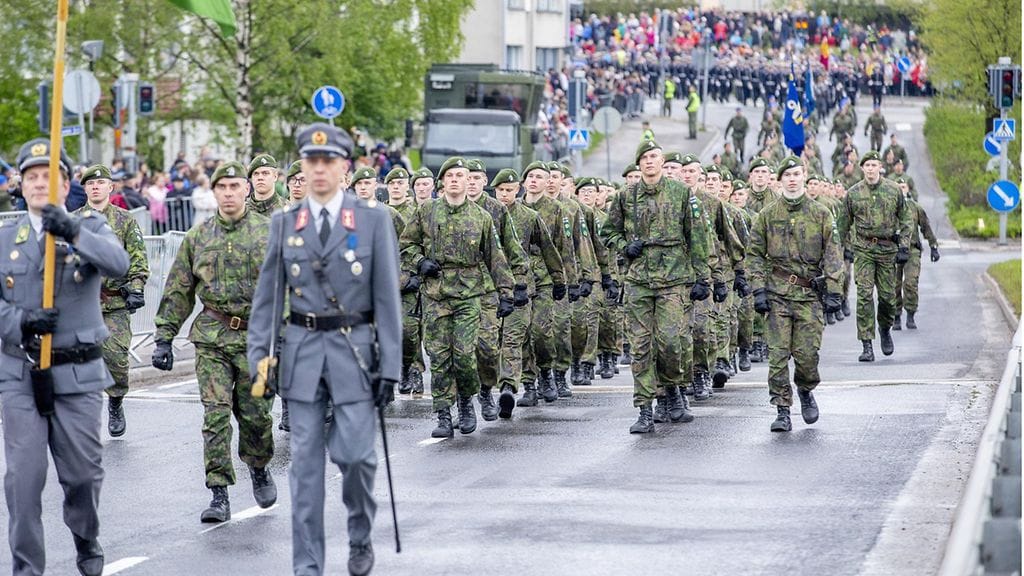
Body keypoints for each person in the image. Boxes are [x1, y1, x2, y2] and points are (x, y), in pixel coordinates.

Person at [247, 122, 401, 576]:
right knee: (305, 473)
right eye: (311, 162)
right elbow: (267, 302)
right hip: (301, 355)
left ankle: (359, 534)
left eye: (327, 161)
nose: (318, 169)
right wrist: (262, 363)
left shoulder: (372, 220)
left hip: (355, 357)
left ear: (343, 167)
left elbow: (387, 300)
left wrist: (390, 366)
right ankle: (307, 566)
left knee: (356, 457)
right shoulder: (284, 223)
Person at [1, 139, 129, 576]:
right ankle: (26, 569)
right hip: (21, 371)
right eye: (32, 176)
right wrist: (20, 320)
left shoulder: (90, 226)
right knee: (23, 481)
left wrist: (72, 232)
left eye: (49, 176)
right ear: (20, 184)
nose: (40, 183)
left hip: (77, 373)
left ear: (66, 181)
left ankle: (85, 537)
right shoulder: (5, 239)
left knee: (81, 477)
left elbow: (119, 264)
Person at [152, 160, 277, 523]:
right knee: (215, 414)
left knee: (256, 415)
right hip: (212, 338)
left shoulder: (270, 233)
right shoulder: (198, 237)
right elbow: (179, 289)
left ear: (247, 190)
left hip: (260, 340)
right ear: (214, 192)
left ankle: (258, 466)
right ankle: (219, 492)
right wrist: (163, 337)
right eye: (221, 187)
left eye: (235, 186)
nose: (228, 193)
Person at [600, 140, 711, 433]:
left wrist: (703, 276)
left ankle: (673, 388)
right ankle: (645, 408)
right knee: (640, 348)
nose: (649, 162)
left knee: (671, 342)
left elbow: (697, 235)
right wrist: (625, 246)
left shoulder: (681, 193)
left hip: (674, 278)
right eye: (644, 158)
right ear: (639, 164)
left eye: (654, 157)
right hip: (638, 281)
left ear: (662, 162)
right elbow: (607, 232)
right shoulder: (626, 196)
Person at [400, 157, 514, 438]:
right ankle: (442, 413)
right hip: (435, 293)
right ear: (442, 182)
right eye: (449, 175)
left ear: (468, 181)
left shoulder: (481, 217)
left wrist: (507, 291)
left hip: (469, 293)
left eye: (460, 175)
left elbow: (495, 257)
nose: (454, 180)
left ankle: (466, 401)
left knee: (464, 355)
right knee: (439, 357)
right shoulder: (426, 211)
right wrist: (419, 262)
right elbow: (406, 245)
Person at [746, 156, 844, 432]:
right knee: (777, 355)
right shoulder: (768, 214)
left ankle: (805, 389)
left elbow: (833, 254)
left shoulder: (821, 213)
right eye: (786, 174)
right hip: (777, 293)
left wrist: (834, 290)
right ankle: (782, 409)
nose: (791, 178)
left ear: (804, 176)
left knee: (807, 355)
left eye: (796, 174)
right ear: (780, 180)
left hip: (809, 295)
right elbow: (753, 254)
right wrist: (759, 289)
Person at [75, 164, 149, 437]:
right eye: (90, 183)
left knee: (117, 359)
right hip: (81, 304)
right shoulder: (72, 221)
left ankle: (116, 401)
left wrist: (137, 286)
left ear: (110, 187)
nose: (95, 187)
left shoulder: (125, 220)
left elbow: (138, 256)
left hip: (115, 303)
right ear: (85, 188)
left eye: (100, 183)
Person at [492, 168, 566, 414]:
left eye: (509, 190)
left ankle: (546, 372)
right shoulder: (487, 215)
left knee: (542, 333)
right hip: (500, 285)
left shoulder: (531, 216)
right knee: (516, 338)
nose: (504, 195)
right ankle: (525, 385)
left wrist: (561, 280)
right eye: (500, 190)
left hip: (536, 281)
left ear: (517, 190)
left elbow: (552, 249)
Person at [838, 151, 912, 362]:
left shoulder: (893, 190)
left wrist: (904, 246)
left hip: (887, 250)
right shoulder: (853, 194)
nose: (870, 169)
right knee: (863, 296)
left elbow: (906, 218)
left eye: (874, 165)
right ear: (862, 168)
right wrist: (838, 251)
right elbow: (843, 225)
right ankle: (866, 344)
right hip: (863, 249)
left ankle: (885, 328)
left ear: (880, 167)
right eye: (867, 165)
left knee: (888, 298)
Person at [893, 177, 939, 330]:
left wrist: (933, 246)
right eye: (898, 186)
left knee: (911, 283)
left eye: (904, 186)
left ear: (908, 189)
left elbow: (926, 227)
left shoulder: (915, 208)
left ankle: (911, 313)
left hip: (912, 250)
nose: (901, 189)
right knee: (894, 285)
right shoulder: (888, 208)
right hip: (892, 250)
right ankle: (896, 316)